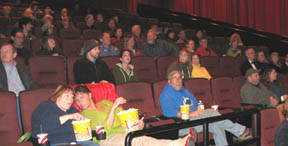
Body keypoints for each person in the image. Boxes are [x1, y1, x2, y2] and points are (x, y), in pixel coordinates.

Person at [74, 85, 196, 146]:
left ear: (89, 95)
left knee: (141, 137)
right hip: (107, 139)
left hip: (123, 133)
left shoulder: (104, 103)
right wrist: (113, 107)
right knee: (139, 140)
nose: (80, 102)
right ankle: (180, 143)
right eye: (77, 100)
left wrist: (135, 125)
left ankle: (181, 142)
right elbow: (105, 130)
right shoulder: (84, 115)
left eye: (82, 97)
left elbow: (122, 119)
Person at [160, 70, 252, 146]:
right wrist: (192, 114)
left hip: (196, 120)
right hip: (183, 124)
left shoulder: (185, 91)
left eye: (180, 77)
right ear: (169, 81)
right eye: (175, 78)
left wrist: (199, 109)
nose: (178, 80)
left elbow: (196, 104)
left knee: (216, 124)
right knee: (211, 113)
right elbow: (168, 112)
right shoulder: (166, 94)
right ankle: (241, 130)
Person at [31, 85, 99, 146]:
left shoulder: (72, 110)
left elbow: (80, 130)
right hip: (53, 142)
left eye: (72, 97)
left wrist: (84, 123)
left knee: (94, 145)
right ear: (58, 96)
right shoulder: (46, 106)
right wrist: (69, 116)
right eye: (67, 96)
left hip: (75, 142)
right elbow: (45, 126)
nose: (70, 99)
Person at [0, 43, 37, 133]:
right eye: (1, 52)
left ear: (14, 55)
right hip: (8, 100)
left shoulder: (23, 68)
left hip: (25, 98)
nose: (3, 54)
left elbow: (32, 85)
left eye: (7, 51)